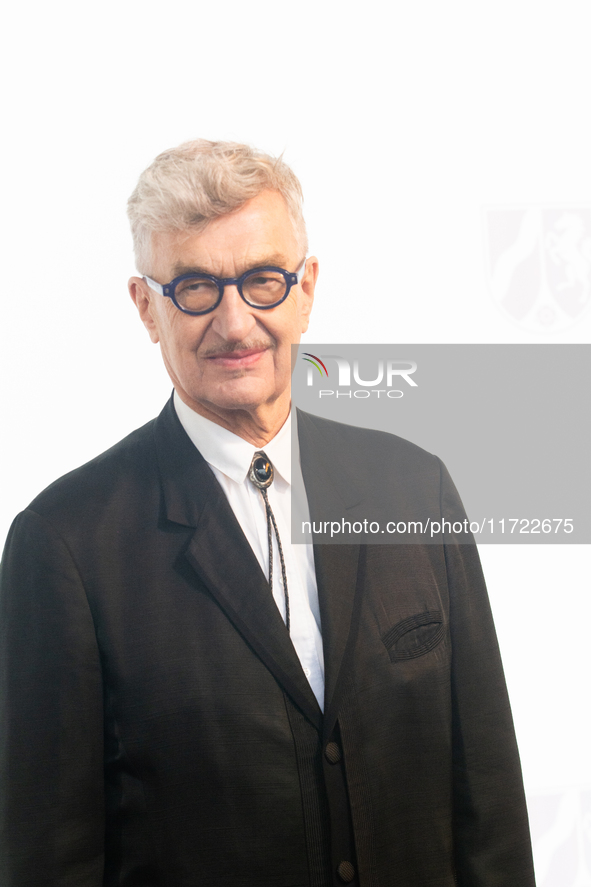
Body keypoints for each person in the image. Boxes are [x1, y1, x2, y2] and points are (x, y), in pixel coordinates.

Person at [0, 139, 536, 887]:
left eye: (262, 280)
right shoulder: (63, 545)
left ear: (306, 288)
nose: (235, 322)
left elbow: (489, 808)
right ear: (145, 307)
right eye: (193, 286)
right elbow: (47, 862)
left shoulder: (418, 489)